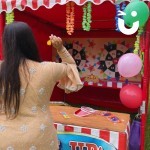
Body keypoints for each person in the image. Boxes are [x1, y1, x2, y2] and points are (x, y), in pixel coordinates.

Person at [0, 21, 83, 149]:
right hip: (40, 137)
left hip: (4, 138)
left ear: (5, 43)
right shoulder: (47, 69)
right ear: (30, 42)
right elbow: (71, 68)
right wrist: (61, 49)